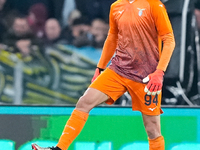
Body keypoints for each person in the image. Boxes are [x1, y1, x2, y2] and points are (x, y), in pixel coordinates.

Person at [32, 0, 175, 150]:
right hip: (118, 70)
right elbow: (112, 37)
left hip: (146, 75)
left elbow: (169, 39)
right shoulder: (116, 6)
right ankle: (59, 148)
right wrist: (100, 67)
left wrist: (159, 72)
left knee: (152, 129)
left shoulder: (154, 4)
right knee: (84, 102)